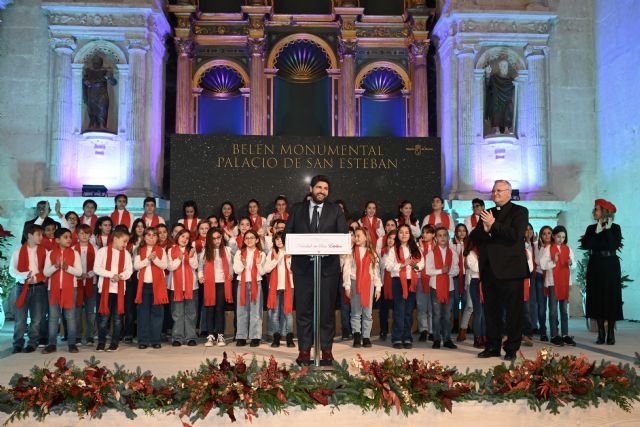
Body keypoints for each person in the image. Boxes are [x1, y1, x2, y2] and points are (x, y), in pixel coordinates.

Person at [284, 175, 349, 366]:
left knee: (327, 311)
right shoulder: (297, 209)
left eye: (326, 188)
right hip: (303, 269)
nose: (322, 191)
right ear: (311, 189)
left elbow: (343, 235)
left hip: (328, 270)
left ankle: (326, 350)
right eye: (319, 187)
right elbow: (288, 234)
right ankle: (304, 350)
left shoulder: (335, 210)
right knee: (304, 311)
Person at [469, 179, 529, 361]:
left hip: (511, 271)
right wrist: (487, 229)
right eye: (494, 191)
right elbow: (474, 236)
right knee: (491, 312)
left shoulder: (520, 211)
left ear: (509, 193)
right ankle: (492, 346)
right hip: (489, 270)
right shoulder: (488, 213)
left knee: (513, 312)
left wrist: (493, 226)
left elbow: (515, 236)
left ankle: (511, 348)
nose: (495, 194)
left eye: (500, 191)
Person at [580, 199, 623, 345]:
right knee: (597, 297)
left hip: (611, 265)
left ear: (605, 212)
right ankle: (600, 333)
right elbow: (586, 245)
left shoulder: (615, 228)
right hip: (596, 265)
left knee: (611, 298)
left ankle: (611, 333)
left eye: (596, 209)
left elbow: (613, 244)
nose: (594, 211)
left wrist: (608, 229)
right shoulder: (591, 228)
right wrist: (598, 231)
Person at [42, 228, 83, 354]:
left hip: (71, 288)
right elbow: (45, 272)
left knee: (70, 317)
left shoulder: (75, 253)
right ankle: (52, 344)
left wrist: (67, 268)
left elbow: (79, 272)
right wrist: (55, 266)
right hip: (53, 289)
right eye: (65, 237)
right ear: (57, 240)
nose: (69, 239)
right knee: (54, 317)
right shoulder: (50, 253)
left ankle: (72, 344)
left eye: (70, 237)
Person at [385, 224, 424, 349]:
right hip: (398, 282)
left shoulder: (415, 248)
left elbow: (421, 264)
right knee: (399, 310)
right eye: (401, 232)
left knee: (408, 311)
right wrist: (402, 265)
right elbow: (388, 266)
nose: (404, 235)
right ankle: (397, 338)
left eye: (406, 232)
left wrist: (414, 265)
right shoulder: (393, 249)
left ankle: (407, 337)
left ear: (410, 234)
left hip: (411, 281)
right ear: (398, 235)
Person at [10, 224, 47, 353]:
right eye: (39, 234)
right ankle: (18, 343)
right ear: (30, 235)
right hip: (22, 287)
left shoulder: (44, 251)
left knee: (37, 318)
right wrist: (24, 276)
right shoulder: (18, 251)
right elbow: (12, 270)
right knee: (20, 318)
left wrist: (36, 279)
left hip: (38, 287)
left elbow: (46, 271)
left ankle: (32, 342)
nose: (41, 237)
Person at [342, 227, 382, 348]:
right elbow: (346, 270)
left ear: (366, 237)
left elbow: (376, 272)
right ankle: (357, 335)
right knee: (355, 312)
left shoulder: (372, 253)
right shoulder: (351, 252)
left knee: (367, 312)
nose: (356, 238)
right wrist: (347, 286)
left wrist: (378, 287)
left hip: (368, 284)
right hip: (355, 283)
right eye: (355, 235)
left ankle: (366, 336)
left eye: (359, 235)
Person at [94, 228, 133, 352]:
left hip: (119, 290)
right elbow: (97, 268)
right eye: (124, 241)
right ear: (115, 239)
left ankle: (115, 342)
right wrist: (112, 275)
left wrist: (120, 276)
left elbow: (129, 271)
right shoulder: (102, 251)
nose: (125, 244)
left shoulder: (126, 254)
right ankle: (101, 342)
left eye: (127, 242)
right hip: (105, 290)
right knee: (104, 318)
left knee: (117, 318)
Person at [540, 225, 576, 347]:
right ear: (554, 236)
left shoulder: (568, 248)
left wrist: (571, 263)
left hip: (564, 282)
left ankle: (565, 334)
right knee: (553, 310)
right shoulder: (548, 248)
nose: (561, 239)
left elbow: (574, 264)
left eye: (563, 237)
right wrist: (554, 261)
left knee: (564, 310)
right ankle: (554, 335)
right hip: (553, 282)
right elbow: (543, 265)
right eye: (559, 236)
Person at [134, 227, 169, 349]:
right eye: (148, 235)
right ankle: (143, 340)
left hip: (158, 286)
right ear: (144, 237)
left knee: (157, 314)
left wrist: (156, 259)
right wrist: (148, 259)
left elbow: (165, 265)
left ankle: (155, 340)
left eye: (154, 235)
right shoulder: (139, 250)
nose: (151, 237)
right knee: (143, 314)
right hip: (144, 286)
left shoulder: (161, 250)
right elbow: (136, 266)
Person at [425, 226, 460, 350]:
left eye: (444, 235)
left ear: (448, 237)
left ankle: (447, 339)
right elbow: (428, 271)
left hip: (449, 287)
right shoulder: (431, 253)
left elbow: (456, 270)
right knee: (437, 314)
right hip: (435, 287)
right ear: (435, 238)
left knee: (446, 314)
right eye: (439, 235)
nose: (442, 238)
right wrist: (441, 271)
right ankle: (436, 339)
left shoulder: (453, 253)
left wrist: (448, 272)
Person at [199, 227, 233, 347]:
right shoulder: (205, 251)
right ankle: (210, 335)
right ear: (209, 239)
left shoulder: (227, 250)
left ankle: (220, 335)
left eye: (218, 238)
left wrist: (231, 274)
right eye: (213, 238)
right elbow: (200, 267)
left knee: (219, 309)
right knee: (210, 309)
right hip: (209, 283)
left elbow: (231, 266)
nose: (216, 240)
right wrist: (200, 276)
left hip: (222, 283)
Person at [233, 229, 266, 347]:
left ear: (257, 240)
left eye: (252, 237)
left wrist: (257, 263)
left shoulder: (261, 253)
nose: (249, 240)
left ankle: (255, 336)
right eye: (247, 238)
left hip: (256, 283)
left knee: (255, 312)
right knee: (242, 311)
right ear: (244, 240)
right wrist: (243, 263)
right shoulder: (239, 253)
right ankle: (241, 336)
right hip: (242, 284)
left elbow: (262, 272)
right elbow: (236, 270)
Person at [167, 229, 199, 347]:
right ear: (177, 237)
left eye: (187, 238)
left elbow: (195, 266)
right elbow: (170, 267)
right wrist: (179, 259)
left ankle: (190, 337)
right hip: (176, 287)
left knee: (191, 313)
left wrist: (190, 257)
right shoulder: (171, 250)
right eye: (182, 236)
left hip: (191, 287)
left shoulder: (192, 250)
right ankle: (177, 337)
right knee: (177, 313)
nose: (184, 239)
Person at [264, 231, 295, 348]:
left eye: (282, 239)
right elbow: (266, 269)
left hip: (289, 287)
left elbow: (292, 270)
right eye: (277, 239)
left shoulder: (291, 253)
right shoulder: (271, 253)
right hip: (275, 287)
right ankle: (276, 337)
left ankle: (289, 337)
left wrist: (287, 259)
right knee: (275, 314)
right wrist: (276, 259)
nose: (279, 241)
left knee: (288, 313)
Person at [73, 224, 97, 346]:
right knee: (76, 311)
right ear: (77, 235)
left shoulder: (95, 248)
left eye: (87, 233)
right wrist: (78, 274)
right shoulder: (72, 249)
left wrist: (88, 274)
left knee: (90, 312)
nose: (84, 236)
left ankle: (90, 336)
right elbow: (70, 266)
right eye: (81, 233)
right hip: (76, 284)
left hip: (90, 283)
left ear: (90, 235)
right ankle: (77, 336)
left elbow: (98, 266)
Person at [416, 225, 435, 342]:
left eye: (428, 233)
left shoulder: (437, 246)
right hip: (420, 277)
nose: (425, 235)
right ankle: (423, 330)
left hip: (433, 278)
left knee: (432, 306)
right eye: (423, 232)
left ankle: (432, 331)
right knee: (421, 306)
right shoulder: (417, 246)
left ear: (433, 235)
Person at [378, 229, 397, 341]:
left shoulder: (398, 251)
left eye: (394, 239)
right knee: (383, 310)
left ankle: (395, 331)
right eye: (389, 238)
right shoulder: (382, 251)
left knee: (396, 309)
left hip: (396, 283)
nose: (391, 240)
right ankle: (383, 330)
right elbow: (382, 265)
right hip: (384, 282)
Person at [534, 225, 552, 342]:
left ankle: (555, 330)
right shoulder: (537, 246)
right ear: (541, 236)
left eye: (549, 233)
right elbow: (537, 261)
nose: (546, 235)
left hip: (552, 277)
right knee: (541, 307)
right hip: (540, 276)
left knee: (553, 306)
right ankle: (543, 331)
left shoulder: (555, 246)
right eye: (544, 233)